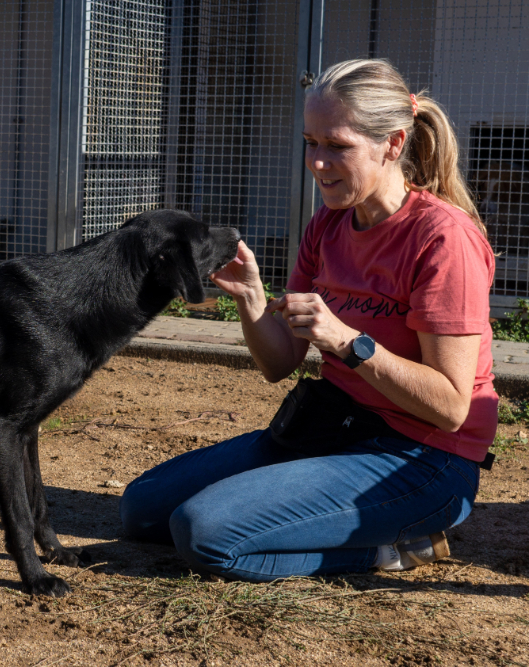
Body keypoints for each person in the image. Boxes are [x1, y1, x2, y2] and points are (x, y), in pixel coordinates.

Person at [120, 59, 497, 581]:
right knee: (141, 508)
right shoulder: (329, 223)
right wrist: (251, 297)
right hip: (332, 427)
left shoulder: (443, 239)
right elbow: (280, 363)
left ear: (392, 144)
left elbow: (452, 408)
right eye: (310, 142)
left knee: (204, 534)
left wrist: (348, 342)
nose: (317, 162)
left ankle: (395, 549)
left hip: (422, 458)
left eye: (337, 145)